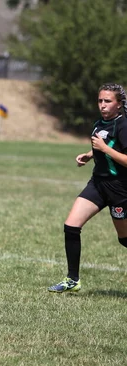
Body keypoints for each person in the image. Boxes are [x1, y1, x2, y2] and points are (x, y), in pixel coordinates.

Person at [48, 83, 127, 293]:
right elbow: (105, 145)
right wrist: (90, 154)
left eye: (108, 101)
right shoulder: (99, 123)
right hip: (98, 184)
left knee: (124, 239)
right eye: (100, 101)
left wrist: (102, 149)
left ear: (119, 105)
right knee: (71, 226)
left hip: (120, 189)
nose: (102, 105)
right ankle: (72, 280)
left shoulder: (123, 126)